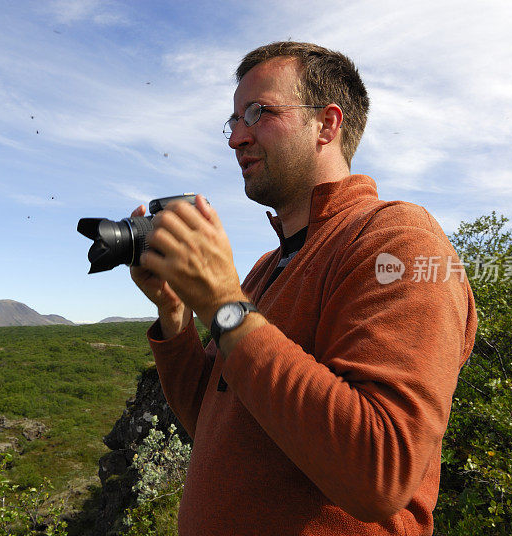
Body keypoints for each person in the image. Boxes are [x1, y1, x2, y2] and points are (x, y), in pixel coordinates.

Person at [129, 41, 477, 536]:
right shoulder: (267, 268)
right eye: (233, 122)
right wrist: (176, 313)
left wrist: (224, 304)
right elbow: (211, 421)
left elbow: (379, 473)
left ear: (327, 125)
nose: (236, 139)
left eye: (258, 113)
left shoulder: (398, 241)